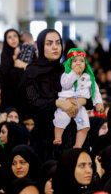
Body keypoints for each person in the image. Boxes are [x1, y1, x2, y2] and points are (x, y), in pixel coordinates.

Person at [19, 29, 85, 160]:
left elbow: (86, 94)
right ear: (41, 46)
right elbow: (31, 102)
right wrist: (58, 103)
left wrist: (78, 103)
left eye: (58, 43)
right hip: (43, 135)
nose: (55, 47)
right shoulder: (32, 72)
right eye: (49, 43)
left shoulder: (66, 70)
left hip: (70, 132)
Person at [53, 48, 104, 148]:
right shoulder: (66, 74)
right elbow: (66, 85)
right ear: (69, 64)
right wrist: (74, 73)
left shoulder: (89, 77)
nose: (78, 63)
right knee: (61, 119)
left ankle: (78, 145)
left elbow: (95, 91)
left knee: (85, 125)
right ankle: (58, 137)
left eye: (81, 61)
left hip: (80, 106)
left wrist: (98, 103)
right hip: (65, 103)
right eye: (75, 61)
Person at [0, 29, 26, 110]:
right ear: (6, 40)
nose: (13, 39)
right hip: (10, 93)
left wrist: (24, 66)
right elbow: (6, 73)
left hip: (26, 92)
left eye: (15, 36)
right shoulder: (4, 54)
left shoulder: (27, 51)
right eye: (9, 37)